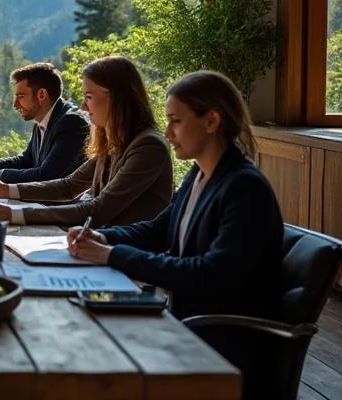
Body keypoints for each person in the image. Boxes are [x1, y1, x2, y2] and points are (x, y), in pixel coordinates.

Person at [66, 71, 283, 399]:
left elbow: (208, 274)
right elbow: (158, 229)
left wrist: (112, 255)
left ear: (211, 121)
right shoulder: (200, 173)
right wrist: (103, 237)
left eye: (176, 121)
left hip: (216, 341)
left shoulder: (244, 189)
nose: (167, 133)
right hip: (186, 320)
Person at [0, 56, 172, 227]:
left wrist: (12, 214)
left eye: (89, 97)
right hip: (96, 241)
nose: (83, 106)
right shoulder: (114, 141)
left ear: (116, 98)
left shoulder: (148, 146)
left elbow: (98, 209)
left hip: (125, 256)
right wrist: (6, 190)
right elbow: (69, 186)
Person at [0, 62, 89, 183]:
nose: (15, 104)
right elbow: (26, 160)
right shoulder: (44, 120)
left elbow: (47, 176)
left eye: (20, 96)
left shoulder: (72, 123)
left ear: (41, 95)